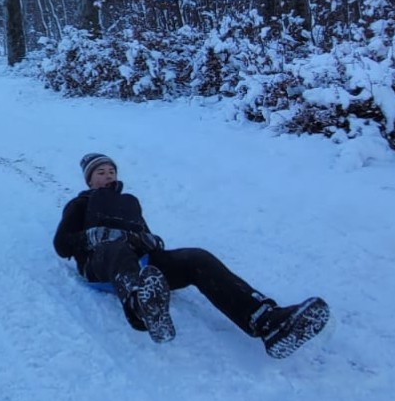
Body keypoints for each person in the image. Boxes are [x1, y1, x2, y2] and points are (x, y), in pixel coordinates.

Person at [53, 153, 329, 359]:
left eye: (112, 171)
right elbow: (61, 245)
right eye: (101, 172)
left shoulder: (128, 202)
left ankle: (267, 321)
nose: (108, 176)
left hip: (140, 263)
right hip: (101, 264)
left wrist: (150, 240)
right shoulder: (80, 204)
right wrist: (92, 236)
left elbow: (149, 239)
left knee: (197, 258)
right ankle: (140, 306)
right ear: (89, 180)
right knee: (117, 247)